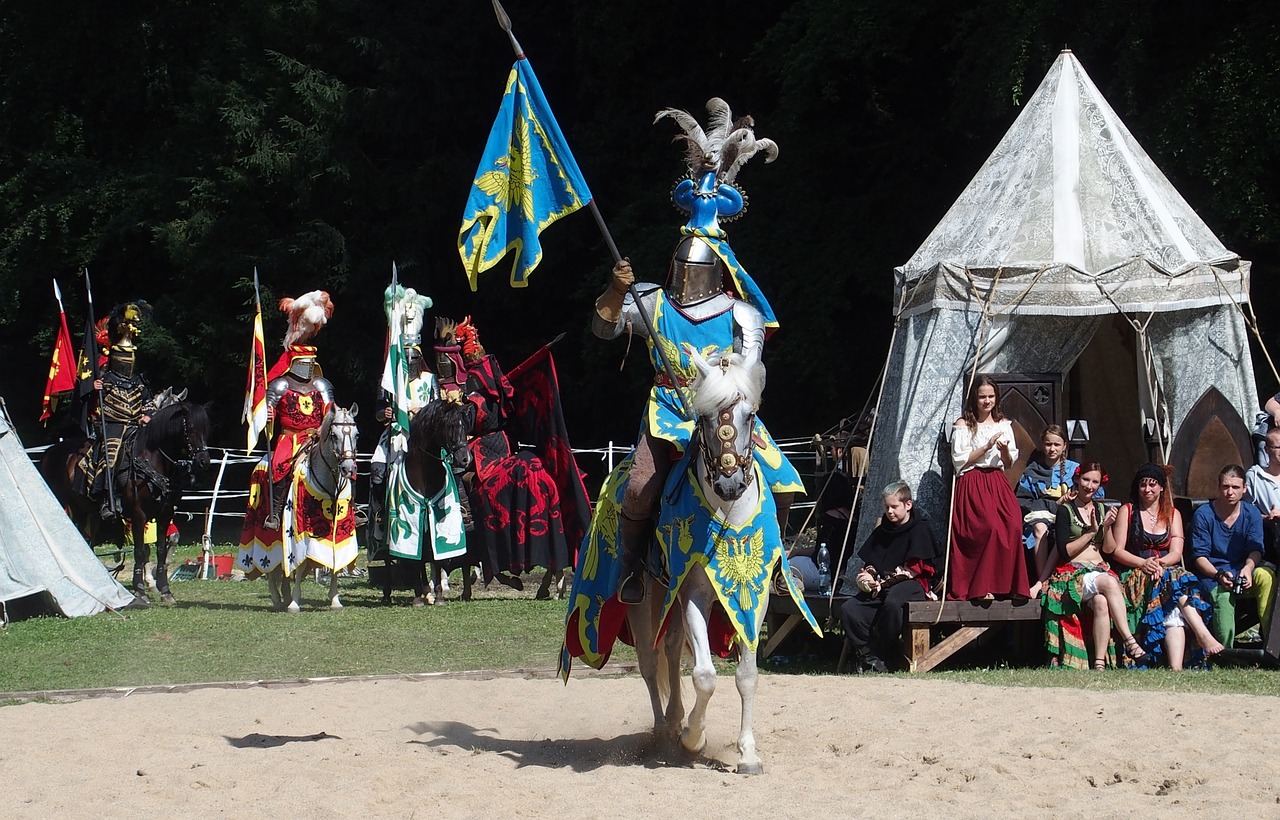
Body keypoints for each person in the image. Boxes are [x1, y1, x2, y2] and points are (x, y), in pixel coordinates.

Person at [238, 290, 357, 581]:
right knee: (277, 470)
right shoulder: (279, 386)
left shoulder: (321, 385)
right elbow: (264, 414)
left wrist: (334, 422)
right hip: (289, 439)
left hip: (316, 438)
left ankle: (348, 515)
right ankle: (275, 513)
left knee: (344, 464)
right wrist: (266, 417)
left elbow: (331, 412)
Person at [1103, 463, 1222, 669]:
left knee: (1174, 596)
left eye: (1152, 485)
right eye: (1143, 485)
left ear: (1161, 488)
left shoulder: (1173, 514)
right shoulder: (1128, 511)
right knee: (1174, 580)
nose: (1147, 490)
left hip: (1163, 571)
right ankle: (1202, 633)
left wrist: (1158, 563)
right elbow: (1117, 551)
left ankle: (1176, 668)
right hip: (1134, 572)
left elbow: (1176, 553)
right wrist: (1144, 563)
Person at [1039, 462, 1147, 669]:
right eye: (1086, 480)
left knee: (1101, 603)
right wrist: (1090, 532)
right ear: (1078, 480)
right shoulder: (1065, 510)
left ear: (1100, 484)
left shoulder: (1102, 508)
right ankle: (1129, 640)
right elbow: (1065, 551)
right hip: (1073, 573)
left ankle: (1098, 663)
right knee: (1108, 582)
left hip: (1099, 568)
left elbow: (1109, 549)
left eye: (1095, 482)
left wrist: (1106, 528)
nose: (1089, 486)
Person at [839, 481, 941, 673]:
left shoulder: (920, 529)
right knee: (850, 609)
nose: (890, 511)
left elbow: (917, 568)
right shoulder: (883, 530)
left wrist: (886, 582)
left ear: (908, 504)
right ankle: (871, 655)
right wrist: (868, 575)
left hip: (913, 584)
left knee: (893, 603)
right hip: (882, 586)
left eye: (894, 507)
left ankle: (886, 652)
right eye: (887, 507)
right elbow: (873, 561)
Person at [948, 374, 1029, 601]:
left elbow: (1009, 461)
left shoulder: (1004, 425)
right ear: (974, 398)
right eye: (982, 396)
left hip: (996, 481)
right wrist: (986, 446)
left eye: (991, 396)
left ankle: (1009, 585)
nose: (987, 401)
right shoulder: (963, 425)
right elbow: (960, 461)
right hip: (973, 481)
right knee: (989, 527)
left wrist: (1003, 450)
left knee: (1013, 524)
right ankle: (983, 587)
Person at [1191, 464, 1276, 648]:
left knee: (1266, 577)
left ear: (1244, 489)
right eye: (1225, 487)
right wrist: (1218, 575)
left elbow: (1255, 548)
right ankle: (1225, 651)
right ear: (1219, 487)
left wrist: (1248, 567)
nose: (1230, 492)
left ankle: (1272, 645)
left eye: (1235, 487)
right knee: (1223, 596)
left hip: (1242, 569)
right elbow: (1200, 556)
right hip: (1212, 574)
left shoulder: (1251, 512)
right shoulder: (1204, 514)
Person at [86, 301, 155, 520]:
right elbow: (91, 407)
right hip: (113, 427)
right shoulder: (104, 381)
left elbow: (149, 402)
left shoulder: (138, 382)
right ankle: (109, 498)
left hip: (136, 426)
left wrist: (148, 415)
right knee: (111, 453)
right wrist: (92, 390)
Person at [1017, 424, 1099, 592]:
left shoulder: (1075, 470)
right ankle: (1043, 581)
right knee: (1040, 529)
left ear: (1064, 447)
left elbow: (1094, 492)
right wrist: (1054, 505)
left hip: (1070, 516)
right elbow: (1022, 500)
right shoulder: (1032, 471)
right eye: (1048, 444)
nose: (1052, 449)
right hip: (1041, 517)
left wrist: (1073, 501)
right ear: (1042, 445)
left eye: (1056, 444)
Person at [1245, 426, 1280, 566]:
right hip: (1272, 543)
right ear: (1266, 449)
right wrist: (1266, 518)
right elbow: (1246, 513)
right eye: (1278, 447)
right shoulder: (1254, 477)